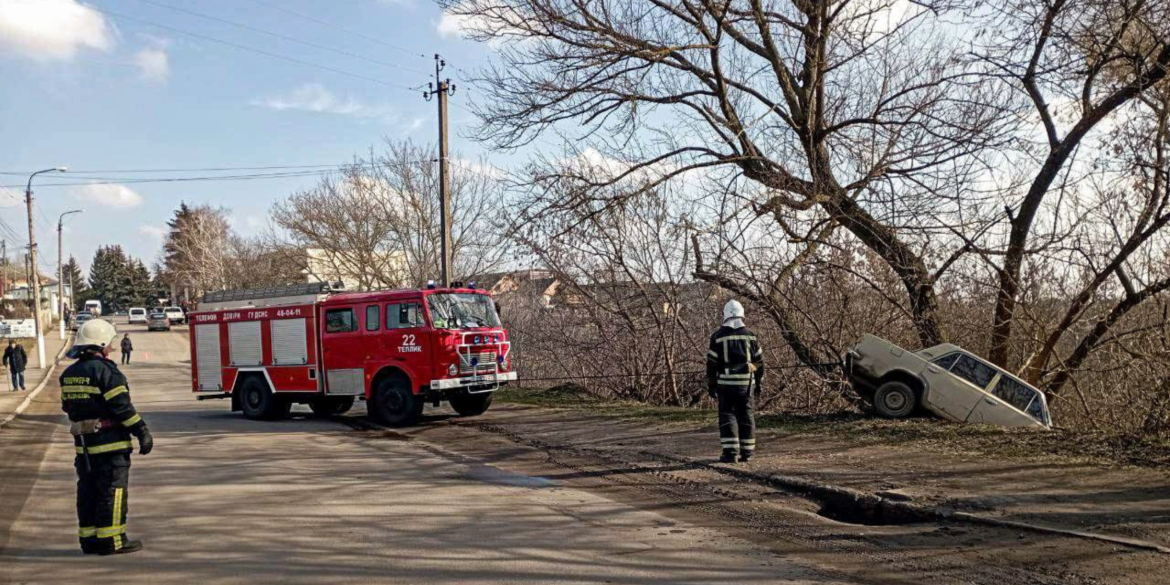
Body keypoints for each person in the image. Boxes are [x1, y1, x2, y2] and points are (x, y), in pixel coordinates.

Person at [60, 319, 153, 555]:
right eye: (109, 343)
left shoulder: (69, 374)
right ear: (100, 344)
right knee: (112, 491)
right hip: (110, 445)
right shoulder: (106, 372)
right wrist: (141, 431)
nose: (111, 347)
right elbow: (122, 408)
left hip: (84, 448)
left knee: (88, 491)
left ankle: (89, 541)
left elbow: (68, 408)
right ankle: (113, 541)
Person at [706, 300, 765, 463]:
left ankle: (729, 453)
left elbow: (712, 365)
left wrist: (711, 385)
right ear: (742, 314)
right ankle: (748, 453)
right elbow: (759, 362)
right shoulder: (751, 335)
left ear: (725, 315)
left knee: (727, 416)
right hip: (746, 385)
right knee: (746, 416)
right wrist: (758, 381)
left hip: (725, 385)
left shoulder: (717, 337)